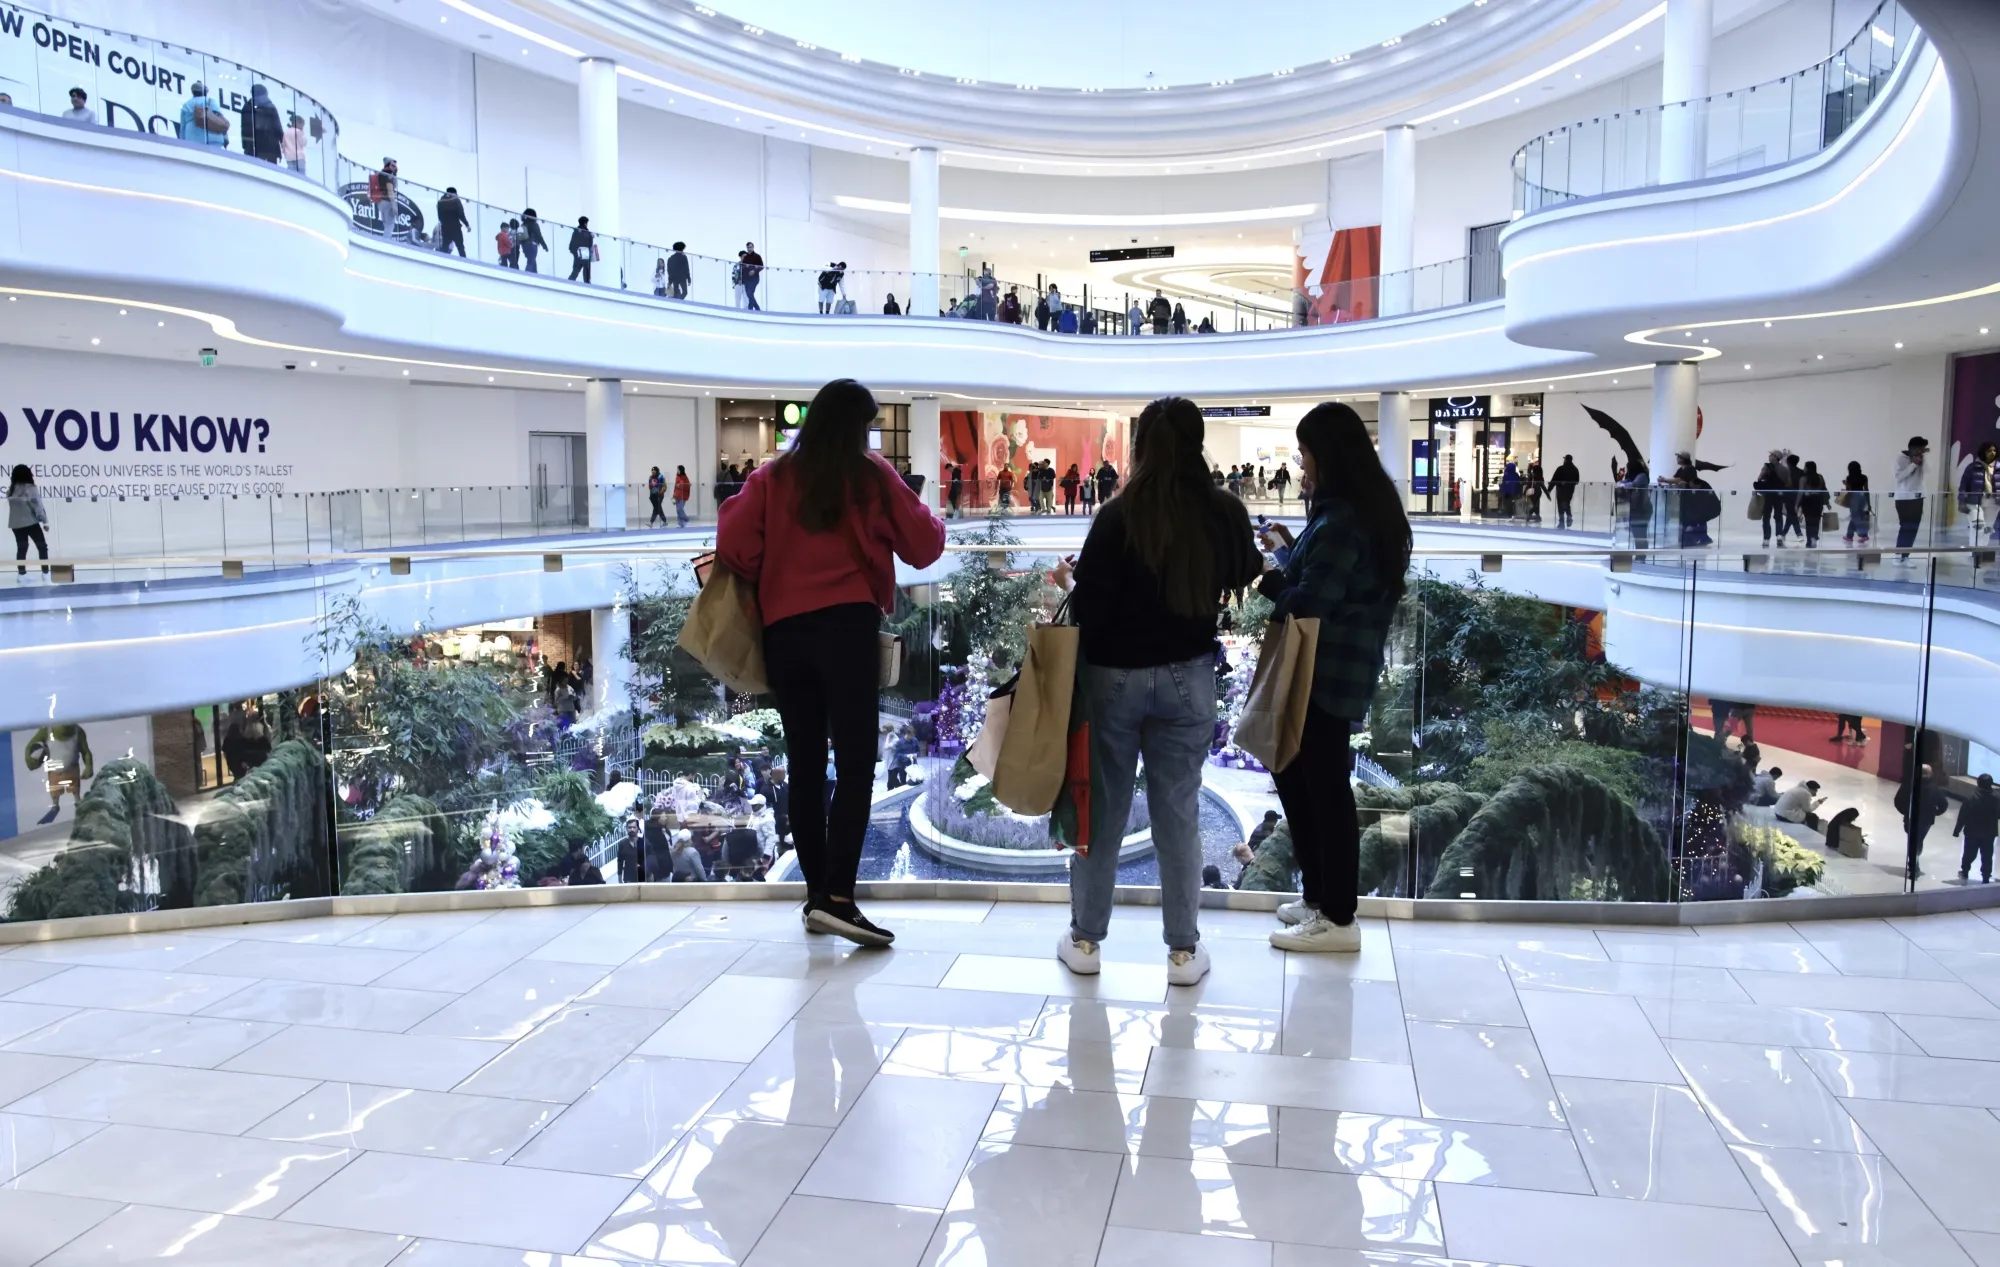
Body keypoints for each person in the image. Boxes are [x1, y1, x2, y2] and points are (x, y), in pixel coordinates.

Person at [718, 378, 946, 945]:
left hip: (785, 635)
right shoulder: (869, 476)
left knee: (803, 762)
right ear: (856, 429)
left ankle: (818, 894)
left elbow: (735, 546)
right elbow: (925, 545)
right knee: (855, 765)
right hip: (846, 630)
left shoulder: (772, 477)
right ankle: (839, 898)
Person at [1057, 396, 1263, 986]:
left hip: (1115, 679)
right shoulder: (1222, 510)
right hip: (1189, 675)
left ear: (1141, 445)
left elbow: (1091, 610)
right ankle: (1181, 954)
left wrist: (1071, 579)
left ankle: (1087, 942)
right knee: (1179, 814)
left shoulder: (1119, 515)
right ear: (1196, 443)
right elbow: (1243, 572)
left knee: (1104, 814)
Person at [1259, 402, 1412, 953]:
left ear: (1327, 454)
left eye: (1304, 454)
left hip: (1325, 674)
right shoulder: (1351, 512)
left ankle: (1339, 918)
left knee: (1322, 791)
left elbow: (1309, 605)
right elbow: (1329, 580)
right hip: (1335, 672)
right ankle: (1321, 897)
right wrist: (1289, 548)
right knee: (1303, 781)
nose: (1302, 466)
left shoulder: (1343, 519)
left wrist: (1267, 578)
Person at [1897, 762, 1949, 880]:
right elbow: (1943, 804)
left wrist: (1905, 811)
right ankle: (1914, 864)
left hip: (1913, 818)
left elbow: (1898, 800)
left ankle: (1914, 865)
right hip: (1925, 821)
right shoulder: (1933, 788)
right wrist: (1934, 813)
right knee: (1917, 841)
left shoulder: (1909, 784)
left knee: (1913, 841)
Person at [1956, 773, 2000, 884]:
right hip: (1989, 832)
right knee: (1987, 855)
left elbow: (1963, 815)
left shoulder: (1971, 797)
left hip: (1972, 831)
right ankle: (1986, 876)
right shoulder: (1997, 798)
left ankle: (1965, 871)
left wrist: (1957, 830)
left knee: (1969, 853)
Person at [9, 464, 48, 580]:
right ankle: (46, 573)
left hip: (15, 524)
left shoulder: (11, 490)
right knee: (42, 547)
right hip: (30, 522)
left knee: (22, 548)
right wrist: (45, 521)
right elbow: (38, 507)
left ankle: (21, 574)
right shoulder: (31, 488)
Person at [1893, 435, 1930, 558]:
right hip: (1904, 498)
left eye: (1923, 449)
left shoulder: (1921, 458)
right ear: (1912, 448)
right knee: (1906, 527)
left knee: (1914, 528)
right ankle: (1898, 555)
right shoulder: (1900, 459)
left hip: (1918, 497)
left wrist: (1922, 459)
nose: (1921, 451)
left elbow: (1928, 471)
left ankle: (1905, 556)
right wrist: (1913, 464)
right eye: (1920, 449)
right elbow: (1899, 477)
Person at [1961, 442, 1998, 540]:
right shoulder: (1973, 467)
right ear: (1983, 452)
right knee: (1977, 528)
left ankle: (1982, 554)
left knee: (1987, 530)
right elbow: (1964, 486)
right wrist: (1961, 501)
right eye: (1989, 451)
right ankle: (1974, 554)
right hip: (1975, 502)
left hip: (1993, 502)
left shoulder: (1998, 467)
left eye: (1994, 450)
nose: (1992, 453)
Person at [240, 85, 283, 163]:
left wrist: (245, 146)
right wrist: (283, 146)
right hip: (270, 148)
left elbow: (244, 128)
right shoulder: (270, 107)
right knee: (272, 172)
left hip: (253, 148)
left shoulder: (247, 107)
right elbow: (277, 128)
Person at [179, 82, 229, 147]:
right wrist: (225, 137)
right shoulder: (210, 101)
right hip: (212, 137)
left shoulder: (186, 105)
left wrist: (182, 142)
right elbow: (220, 120)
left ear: (193, 92)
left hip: (192, 137)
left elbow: (183, 126)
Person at [1799, 459, 1830, 548]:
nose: (1803, 468)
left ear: (1808, 468)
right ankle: (1814, 537)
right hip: (1818, 501)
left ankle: (1809, 539)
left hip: (1807, 501)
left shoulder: (1803, 478)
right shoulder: (1820, 477)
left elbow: (1801, 492)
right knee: (1816, 521)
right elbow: (1824, 489)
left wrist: (1797, 504)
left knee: (1809, 522)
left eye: (1805, 467)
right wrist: (1827, 502)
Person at [1842, 461, 1871, 546]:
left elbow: (1848, 490)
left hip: (1854, 498)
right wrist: (1868, 503)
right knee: (1857, 517)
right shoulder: (1864, 477)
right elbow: (1866, 490)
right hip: (1862, 497)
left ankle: (1863, 535)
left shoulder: (1849, 478)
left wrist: (1846, 484)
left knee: (1855, 517)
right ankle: (1849, 535)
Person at [436, 186, 469, 257]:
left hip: (445, 227)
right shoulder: (456, 200)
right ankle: (464, 261)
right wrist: (467, 225)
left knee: (445, 246)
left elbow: (439, 217)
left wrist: (444, 223)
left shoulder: (440, 202)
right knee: (460, 246)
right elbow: (461, 214)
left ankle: (442, 259)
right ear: (454, 193)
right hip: (455, 227)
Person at [1551, 454, 1580, 529]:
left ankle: (1562, 522)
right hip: (1569, 491)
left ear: (1566, 460)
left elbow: (1554, 479)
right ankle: (1568, 517)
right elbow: (1577, 481)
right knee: (1566, 504)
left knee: (1561, 506)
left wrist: (1549, 489)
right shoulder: (1575, 469)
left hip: (1560, 490)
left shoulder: (1560, 469)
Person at [568, 216, 595, 282]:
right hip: (585, 252)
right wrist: (591, 236)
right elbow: (590, 243)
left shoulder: (576, 231)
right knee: (586, 272)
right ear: (585, 223)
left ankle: (569, 282)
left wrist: (574, 252)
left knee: (576, 270)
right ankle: (587, 285)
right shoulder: (587, 232)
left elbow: (572, 244)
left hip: (577, 252)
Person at [519, 209, 547, 273]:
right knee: (530, 262)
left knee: (532, 260)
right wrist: (544, 245)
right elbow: (538, 235)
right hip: (532, 244)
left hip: (524, 245)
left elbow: (520, 237)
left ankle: (535, 274)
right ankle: (526, 275)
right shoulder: (534, 224)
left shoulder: (523, 224)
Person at [617, 817, 643, 883]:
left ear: (638, 828)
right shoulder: (622, 844)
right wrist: (620, 879)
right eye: (630, 827)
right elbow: (620, 862)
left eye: (634, 827)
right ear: (626, 829)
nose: (632, 829)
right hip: (628, 879)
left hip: (642, 878)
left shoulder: (644, 842)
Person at [740, 242, 764, 309]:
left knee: (750, 293)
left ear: (753, 247)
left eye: (750, 247)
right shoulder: (745, 257)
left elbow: (762, 266)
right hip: (746, 279)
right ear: (746, 248)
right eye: (748, 247)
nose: (749, 249)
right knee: (749, 294)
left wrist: (754, 270)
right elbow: (743, 267)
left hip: (754, 279)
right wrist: (746, 267)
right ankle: (756, 308)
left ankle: (751, 308)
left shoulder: (757, 256)